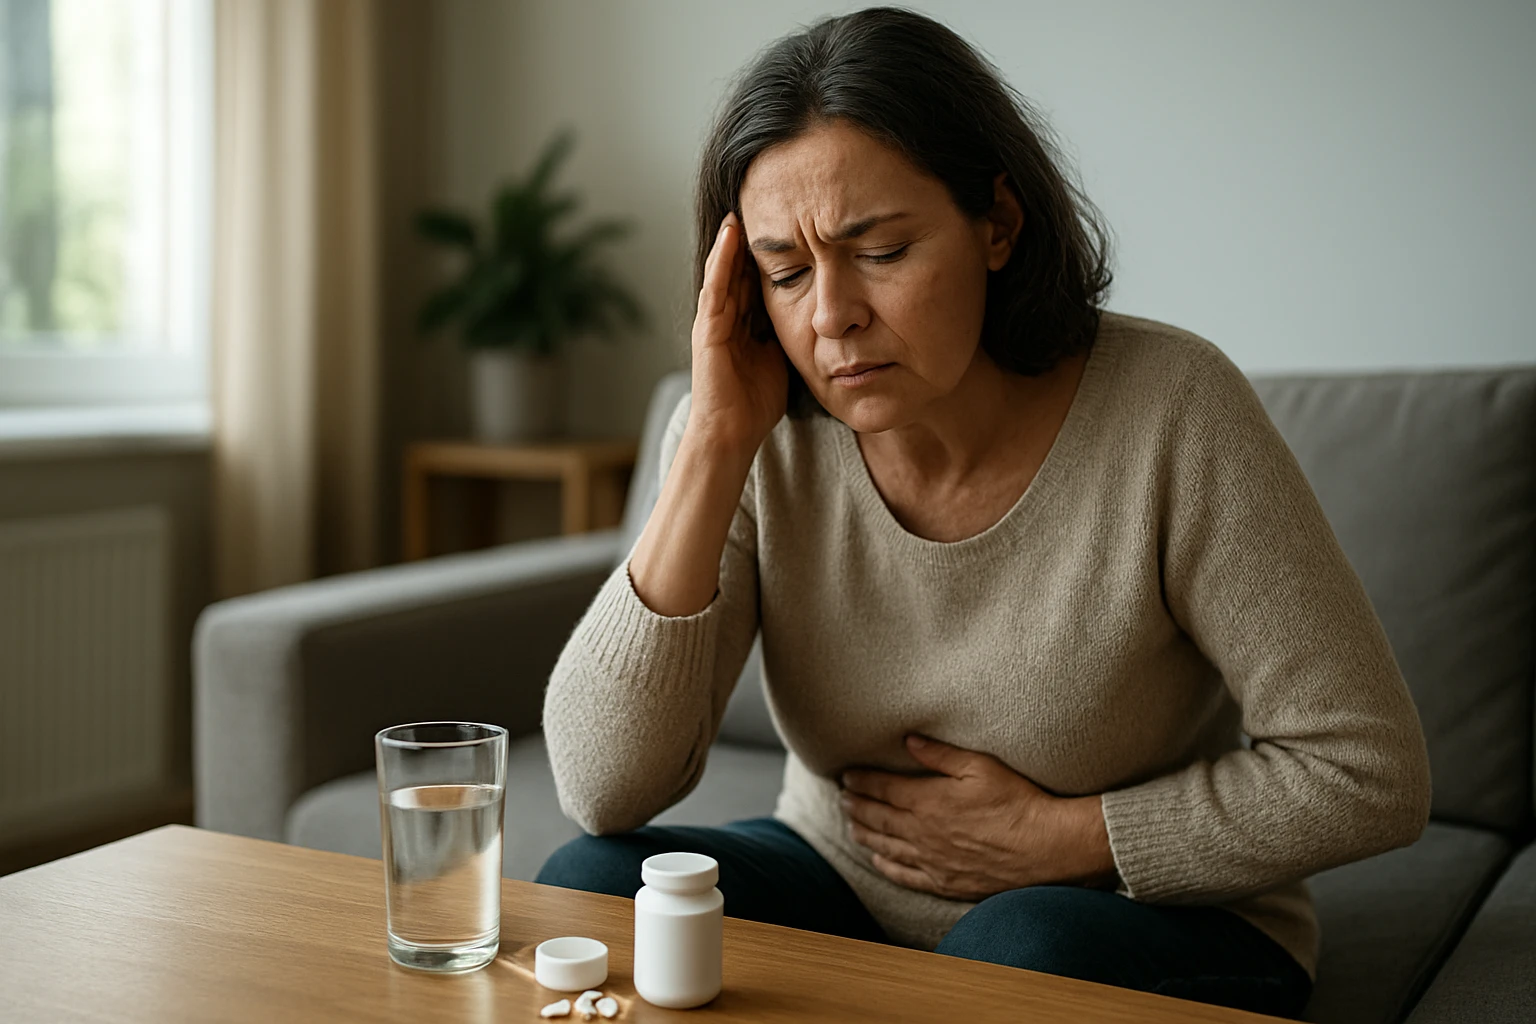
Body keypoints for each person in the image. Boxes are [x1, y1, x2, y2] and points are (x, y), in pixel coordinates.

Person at [534, 7, 1431, 1019]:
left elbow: (1370, 771)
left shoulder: (1176, 408)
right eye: (786, 271)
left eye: (881, 251)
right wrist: (711, 445)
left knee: (1013, 951)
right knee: (594, 888)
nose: (830, 316)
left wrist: (1068, 838)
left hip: (1125, 914)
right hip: (847, 884)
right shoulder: (751, 428)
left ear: (997, 223)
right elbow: (601, 789)